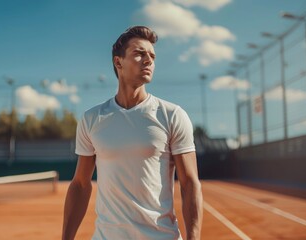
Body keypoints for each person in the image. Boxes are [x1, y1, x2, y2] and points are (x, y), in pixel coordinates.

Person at [62, 26, 203, 240]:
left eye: (152, 56)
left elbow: (190, 182)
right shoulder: (92, 119)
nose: (148, 60)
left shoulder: (172, 115)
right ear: (118, 62)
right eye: (139, 54)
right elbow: (80, 184)